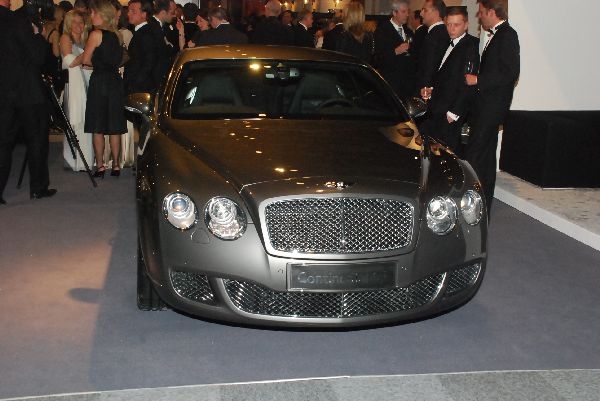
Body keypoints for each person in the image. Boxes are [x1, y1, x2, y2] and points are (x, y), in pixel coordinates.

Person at [465, 0, 519, 214]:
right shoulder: (498, 35)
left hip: (492, 108)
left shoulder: (508, 35)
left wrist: (478, 80)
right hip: (486, 107)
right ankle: (482, 205)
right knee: (485, 160)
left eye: (481, 12)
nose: (479, 17)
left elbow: (510, 73)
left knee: (475, 156)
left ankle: (471, 205)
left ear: (491, 12)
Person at [0, 0, 57, 203]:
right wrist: (38, 34)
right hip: (28, 91)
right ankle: (38, 188)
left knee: (3, 143)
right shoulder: (19, 21)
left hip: (4, 91)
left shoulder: (13, 19)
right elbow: (37, 57)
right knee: (37, 140)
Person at [420, 6, 479, 156]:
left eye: (456, 25)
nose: (451, 29)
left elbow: (467, 83)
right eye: (449, 24)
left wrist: (455, 112)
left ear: (466, 25)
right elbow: (445, 75)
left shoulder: (471, 46)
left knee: (448, 154)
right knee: (432, 151)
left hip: (450, 111)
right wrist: (432, 89)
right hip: (437, 107)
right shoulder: (447, 42)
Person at [82, 0, 127, 178]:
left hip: (100, 81)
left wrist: (98, 64)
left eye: (93, 13)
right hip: (115, 81)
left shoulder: (96, 34)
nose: (91, 16)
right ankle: (116, 165)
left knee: (98, 125)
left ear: (102, 15)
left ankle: (100, 166)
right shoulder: (118, 35)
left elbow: (86, 60)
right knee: (115, 125)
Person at [60, 9, 94, 172]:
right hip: (74, 87)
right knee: (77, 121)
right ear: (69, 23)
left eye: (81, 22)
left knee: (88, 120)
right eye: (75, 22)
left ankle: (87, 159)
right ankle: (76, 160)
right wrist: (88, 52)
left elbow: (89, 64)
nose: (79, 25)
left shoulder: (86, 39)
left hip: (87, 81)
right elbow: (69, 62)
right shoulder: (65, 38)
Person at [373, 0, 415, 101]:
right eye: (403, 11)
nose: (407, 14)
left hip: (407, 86)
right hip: (390, 84)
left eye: (408, 11)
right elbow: (377, 59)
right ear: (394, 13)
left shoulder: (409, 32)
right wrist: (395, 51)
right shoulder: (382, 31)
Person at [124, 0, 158, 94]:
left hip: (140, 89)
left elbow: (149, 63)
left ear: (144, 14)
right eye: (129, 11)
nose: (128, 14)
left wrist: (134, 84)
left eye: (133, 11)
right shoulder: (141, 32)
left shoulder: (146, 34)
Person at [417, 0, 449, 100]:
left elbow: (430, 66)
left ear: (436, 12)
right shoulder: (440, 32)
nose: (421, 13)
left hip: (427, 92)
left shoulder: (435, 35)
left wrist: (425, 89)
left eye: (425, 10)